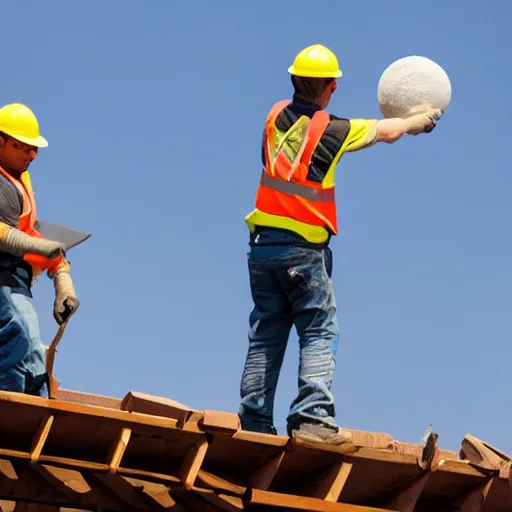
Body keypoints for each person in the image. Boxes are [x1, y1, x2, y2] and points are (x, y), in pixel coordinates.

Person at [238, 44, 441, 443]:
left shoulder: (273, 116)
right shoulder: (335, 129)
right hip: (304, 252)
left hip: (262, 249)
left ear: (294, 79)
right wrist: (419, 119)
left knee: (266, 331)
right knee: (318, 329)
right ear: (331, 87)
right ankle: (312, 418)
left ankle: (254, 421)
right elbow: (388, 131)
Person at [0, 103, 79, 397]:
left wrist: (62, 279)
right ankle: (11, 410)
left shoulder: (18, 180)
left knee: (33, 353)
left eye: (35, 149)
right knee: (18, 333)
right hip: (2, 278)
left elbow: (28, 234)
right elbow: (5, 236)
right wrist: (44, 248)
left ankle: (31, 413)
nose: (32, 155)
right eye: (23, 147)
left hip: (15, 279)